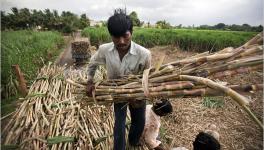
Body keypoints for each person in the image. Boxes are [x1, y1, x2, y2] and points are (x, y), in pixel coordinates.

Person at [86, 8, 151, 150]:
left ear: (131, 33)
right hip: (116, 91)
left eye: (125, 36)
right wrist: (90, 81)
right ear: (111, 35)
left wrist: (140, 96)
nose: (121, 41)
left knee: (139, 120)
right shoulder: (104, 50)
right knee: (119, 124)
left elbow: (147, 77)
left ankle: (134, 140)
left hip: (137, 91)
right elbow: (92, 63)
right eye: (116, 37)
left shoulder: (144, 54)